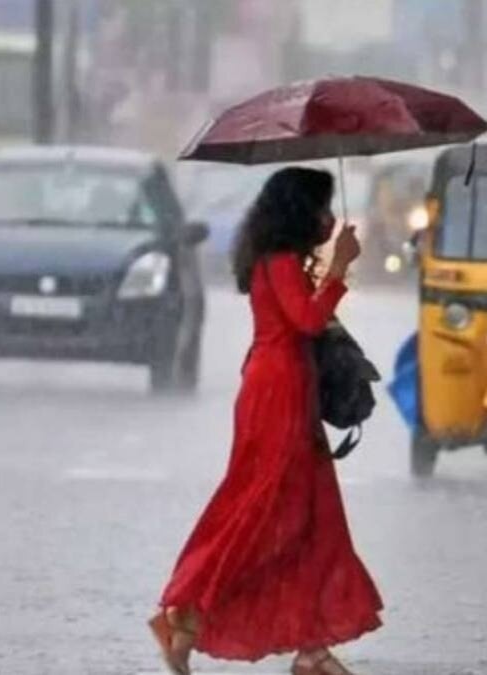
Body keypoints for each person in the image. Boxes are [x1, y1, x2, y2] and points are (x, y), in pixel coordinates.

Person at [148, 167, 383, 675]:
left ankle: (311, 646)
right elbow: (307, 321)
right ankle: (182, 617)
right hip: (275, 396)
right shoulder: (277, 260)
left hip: (290, 392)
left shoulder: (285, 261)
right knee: (263, 512)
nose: (328, 218)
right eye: (322, 209)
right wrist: (339, 268)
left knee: (313, 516)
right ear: (300, 212)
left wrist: (328, 269)